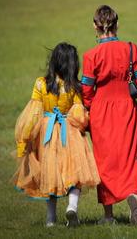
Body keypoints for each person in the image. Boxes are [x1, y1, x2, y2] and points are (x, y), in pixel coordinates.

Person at [81, 5, 137, 226]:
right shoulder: (131, 49)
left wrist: (87, 113)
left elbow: (87, 91)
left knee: (105, 161)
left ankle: (108, 215)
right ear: (117, 25)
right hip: (127, 108)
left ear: (95, 26)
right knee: (129, 158)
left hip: (101, 111)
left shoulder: (90, 56)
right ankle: (132, 199)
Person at [12, 43, 100, 228]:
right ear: (72, 65)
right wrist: (85, 123)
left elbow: (32, 114)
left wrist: (24, 141)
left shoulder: (41, 84)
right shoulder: (74, 86)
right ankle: (72, 207)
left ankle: (51, 219)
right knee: (75, 173)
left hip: (47, 134)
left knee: (49, 175)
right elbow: (78, 115)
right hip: (70, 134)